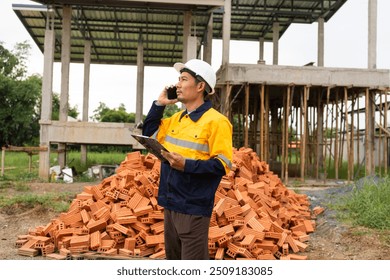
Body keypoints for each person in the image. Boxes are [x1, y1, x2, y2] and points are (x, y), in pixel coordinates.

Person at [142, 59, 233, 260]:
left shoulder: (217, 122)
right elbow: (149, 134)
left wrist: (186, 165)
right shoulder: (177, 119)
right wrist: (159, 104)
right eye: (178, 80)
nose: (178, 85)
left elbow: (222, 165)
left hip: (193, 208)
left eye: (184, 79)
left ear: (200, 86)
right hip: (170, 204)